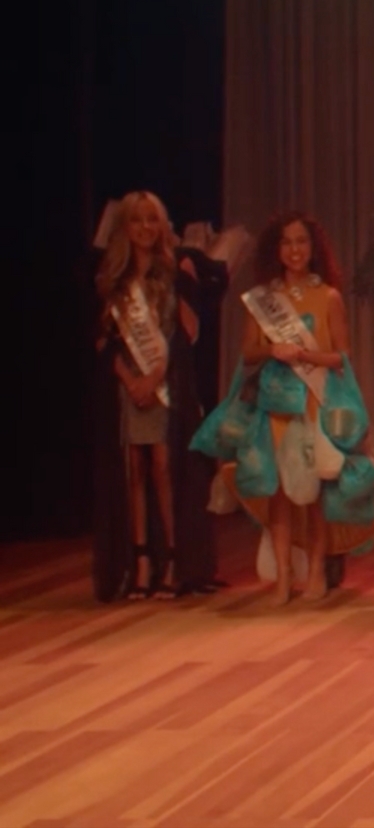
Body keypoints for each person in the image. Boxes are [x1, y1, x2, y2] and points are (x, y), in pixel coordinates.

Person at [191, 211, 374, 604]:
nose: (294, 250)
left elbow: (342, 356)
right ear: (276, 249)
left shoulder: (328, 297)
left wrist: (307, 355)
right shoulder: (263, 299)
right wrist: (272, 349)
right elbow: (248, 352)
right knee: (278, 493)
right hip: (275, 404)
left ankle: (316, 572)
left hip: (313, 402)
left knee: (313, 493)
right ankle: (282, 578)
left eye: (301, 241)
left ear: (314, 248)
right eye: (286, 242)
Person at [89, 192, 220, 601]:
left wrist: (154, 377)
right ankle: (141, 560)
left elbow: (184, 335)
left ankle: (175, 560)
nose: (145, 228)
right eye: (137, 220)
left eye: (152, 220)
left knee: (164, 466)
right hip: (129, 387)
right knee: (135, 469)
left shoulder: (174, 271)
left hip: (165, 385)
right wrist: (131, 381)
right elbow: (105, 341)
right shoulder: (113, 278)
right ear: (124, 227)